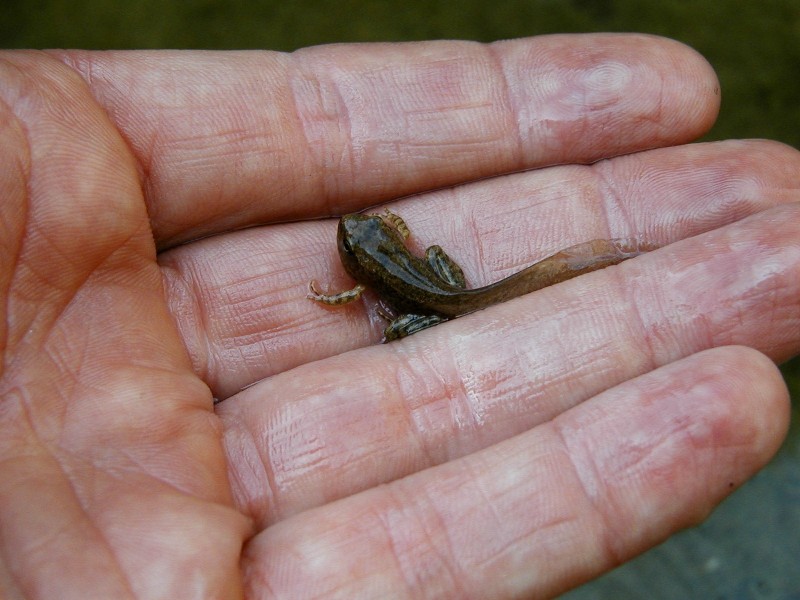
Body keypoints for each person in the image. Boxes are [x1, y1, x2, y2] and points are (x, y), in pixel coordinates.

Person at [0, 34, 797, 599]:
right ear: (371, 256)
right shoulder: (379, 270)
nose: (354, 234)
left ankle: (451, 306)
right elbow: (367, 274)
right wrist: (385, 279)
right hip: (432, 284)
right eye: (360, 240)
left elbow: (357, 286)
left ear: (365, 258)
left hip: (427, 300)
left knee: (414, 317)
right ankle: (457, 297)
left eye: (360, 238)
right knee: (430, 301)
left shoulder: (367, 280)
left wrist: (363, 297)